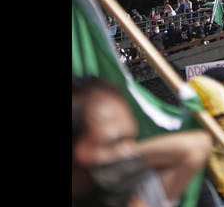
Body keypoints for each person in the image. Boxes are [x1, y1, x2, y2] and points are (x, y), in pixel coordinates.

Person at [72, 76, 213, 207]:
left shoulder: (131, 195)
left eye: (131, 139)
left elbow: (198, 145)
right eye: (114, 143)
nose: (129, 152)